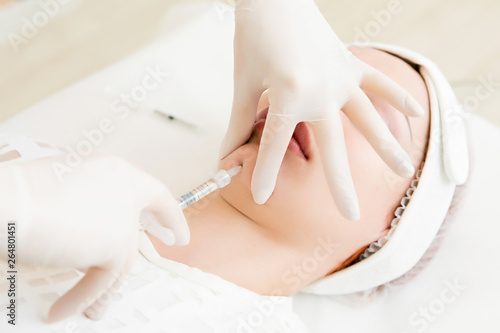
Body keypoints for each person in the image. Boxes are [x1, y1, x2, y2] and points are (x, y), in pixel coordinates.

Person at [0, 0, 435, 324]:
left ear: (389, 235)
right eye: (322, 74)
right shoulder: (43, 173)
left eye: (374, 117)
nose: (317, 102)